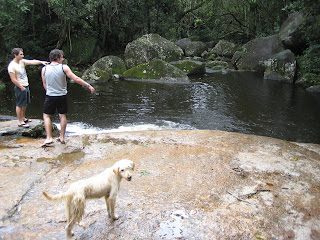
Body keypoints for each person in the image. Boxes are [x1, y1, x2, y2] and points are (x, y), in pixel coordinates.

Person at [41, 49, 95, 147]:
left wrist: (49, 92)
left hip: (50, 96)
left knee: (47, 116)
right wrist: (88, 85)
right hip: (62, 96)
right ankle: (62, 137)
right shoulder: (63, 67)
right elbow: (76, 78)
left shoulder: (44, 69)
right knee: (62, 116)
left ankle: (49, 138)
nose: (62, 58)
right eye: (62, 57)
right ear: (57, 57)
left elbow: (45, 83)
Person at [7, 48, 49, 128]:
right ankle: (20, 121)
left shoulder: (22, 62)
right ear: (15, 55)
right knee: (20, 104)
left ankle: (23, 118)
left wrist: (41, 62)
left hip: (26, 85)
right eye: (21, 54)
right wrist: (20, 86)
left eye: (22, 54)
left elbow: (32, 61)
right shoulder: (12, 66)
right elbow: (13, 79)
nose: (23, 56)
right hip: (20, 87)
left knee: (25, 103)